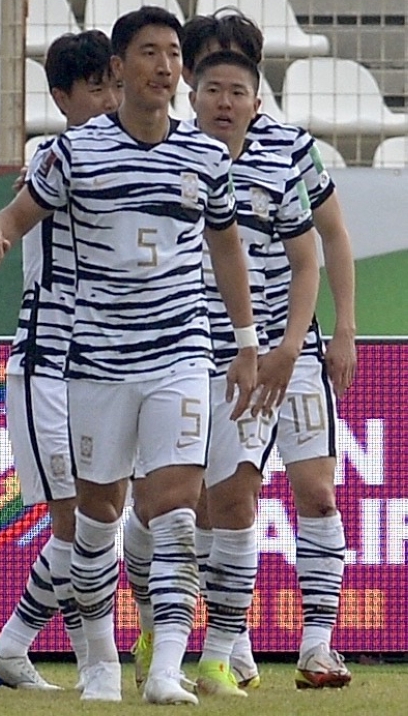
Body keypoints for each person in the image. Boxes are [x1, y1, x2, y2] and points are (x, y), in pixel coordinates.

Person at [0, 6, 264, 704]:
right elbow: (15, 218)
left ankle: (166, 667)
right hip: (94, 361)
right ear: (119, 67)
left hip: (180, 354)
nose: (164, 66)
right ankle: (100, 668)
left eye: (172, 54)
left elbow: (225, 245)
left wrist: (248, 340)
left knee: (174, 510)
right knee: (98, 516)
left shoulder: (204, 156)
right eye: (148, 53)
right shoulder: (74, 153)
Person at [127, 10, 356, 692]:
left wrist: (338, 331)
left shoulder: (292, 149)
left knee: (314, 492)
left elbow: (330, 239)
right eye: (212, 73)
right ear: (191, 81)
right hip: (199, 350)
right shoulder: (170, 152)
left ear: (256, 87)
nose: (225, 94)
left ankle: (317, 644)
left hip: (294, 350)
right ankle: (228, 636)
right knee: (204, 499)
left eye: (240, 75)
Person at [0, 30, 120, 692]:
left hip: (107, 358)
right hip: (48, 359)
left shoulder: (132, 155)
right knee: (76, 518)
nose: (112, 99)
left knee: (96, 519)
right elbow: (12, 217)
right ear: (62, 98)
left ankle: (10, 646)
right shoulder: (56, 154)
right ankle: (99, 663)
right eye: (96, 88)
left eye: (115, 85)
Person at [185, 50, 321, 697]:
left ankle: (219, 651)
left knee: (237, 495)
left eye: (237, 91)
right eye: (213, 88)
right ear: (193, 95)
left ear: (255, 104)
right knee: (184, 508)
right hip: (174, 358)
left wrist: (289, 345)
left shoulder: (280, 169)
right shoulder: (169, 157)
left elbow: (307, 260)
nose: (224, 101)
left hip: (249, 363)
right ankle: (182, 640)